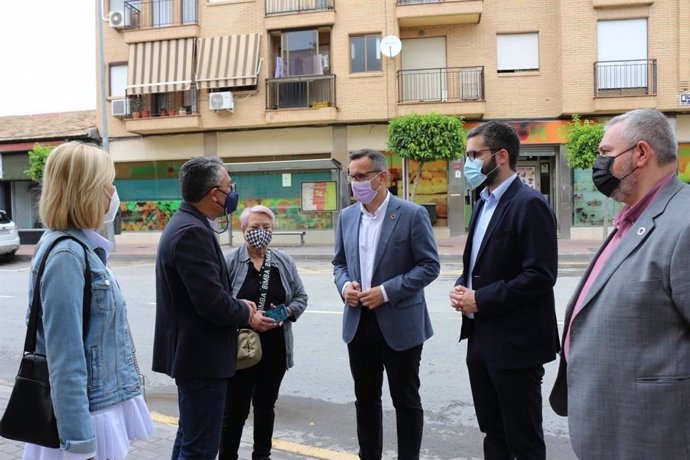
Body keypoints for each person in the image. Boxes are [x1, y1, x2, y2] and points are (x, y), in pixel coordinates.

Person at [550, 109, 690, 459]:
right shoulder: (633, 216)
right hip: (615, 429)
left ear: (641, 154)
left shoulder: (683, 223)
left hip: (653, 437)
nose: (598, 163)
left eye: (606, 153)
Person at [23, 142, 154, 459]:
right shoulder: (67, 256)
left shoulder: (82, 249)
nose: (113, 191)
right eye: (108, 183)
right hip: (86, 419)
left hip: (98, 408)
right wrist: (81, 446)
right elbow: (65, 360)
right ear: (87, 190)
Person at [449, 121, 559, 460]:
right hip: (481, 340)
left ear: (501, 156)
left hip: (517, 345)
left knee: (523, 440)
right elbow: (478, 265)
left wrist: (480, 298)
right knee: (493, 433)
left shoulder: (529, 204)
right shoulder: (482, 202)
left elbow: (540, 275)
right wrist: (462, 285)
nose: (467, 163)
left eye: (473, 155)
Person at [153, 156, 274, 459]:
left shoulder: (187, 224)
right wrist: (244, 310)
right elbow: (211, 302)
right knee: (201, 448)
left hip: (194, 357)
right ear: (213, 193)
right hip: (201, 359)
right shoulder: (192, 231)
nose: (232, 193)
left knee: (190, 438)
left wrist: (235, 304)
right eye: (229, 187)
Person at [333, 148, 440, 460]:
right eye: (351, 177)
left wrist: (386, 291)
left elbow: (429, 266)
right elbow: (339, 264)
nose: (354, 183)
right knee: (365, 399)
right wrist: (345, 287)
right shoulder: (347, 217)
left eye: (360, 176)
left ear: (381, 178)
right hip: (358, 322)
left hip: (400, 323)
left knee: (405, 400)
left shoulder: (411, 214)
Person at [219, 205, 308, 460]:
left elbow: (301, 298)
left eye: (266, 228)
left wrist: (280, 315)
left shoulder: (283, 261)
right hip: (239, 348)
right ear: (243, 229)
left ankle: (262, 455)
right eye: (255, 227)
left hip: (275, 347)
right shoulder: (230, 262)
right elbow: (218, 302)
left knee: (266, 406)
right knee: (234, 411)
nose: (261, 232)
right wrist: (249, 317)